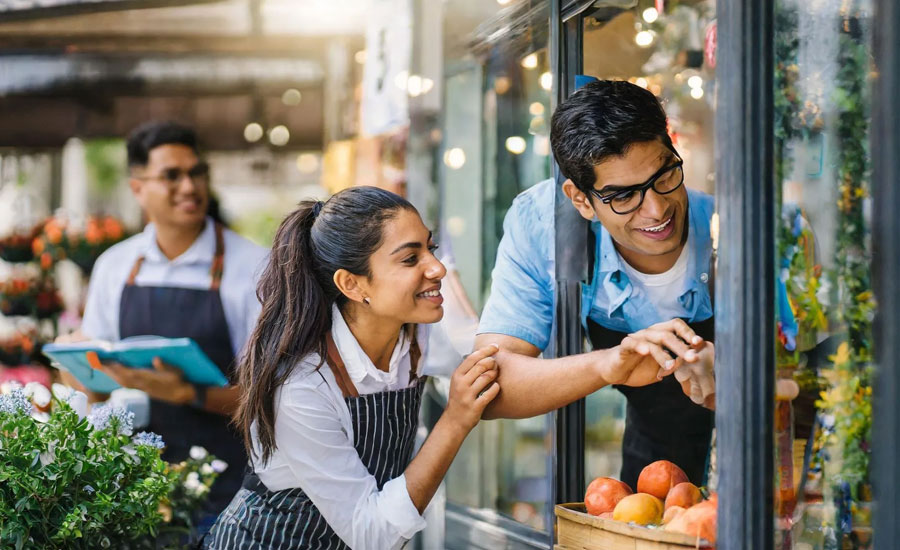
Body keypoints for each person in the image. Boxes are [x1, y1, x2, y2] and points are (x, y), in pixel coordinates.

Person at [203, 186, 704, 549]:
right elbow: (371, 532)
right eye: (410, 259)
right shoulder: (302, 386)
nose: (437, 267)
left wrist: (615, 364)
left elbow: (497, 371)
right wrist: (456, 418)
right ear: (352, 285)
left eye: (432, 248)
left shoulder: (420, 332)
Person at [475, 79, 717, 490]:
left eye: (664, 175)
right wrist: (607, 365)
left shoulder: (730, 216)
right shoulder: (544, 226)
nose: (656, 209)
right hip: (657, 459)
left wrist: (737, 374)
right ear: (580, 200)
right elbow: (489, 388)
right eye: (623, 197)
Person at [59, 121, 268, 526]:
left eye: (196, 172)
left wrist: (189, 393)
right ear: (138, 188)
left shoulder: (255, 267)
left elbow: (272, 400)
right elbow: (96, 392)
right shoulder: (115, 265)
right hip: (133, 488)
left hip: (231, 495)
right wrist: (75, 363)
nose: (189, 186)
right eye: (171, 175)